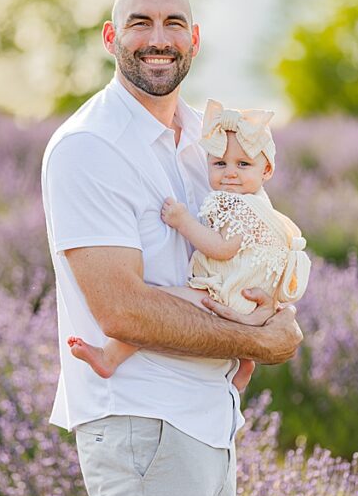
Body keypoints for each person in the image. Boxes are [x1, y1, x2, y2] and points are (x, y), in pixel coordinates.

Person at [41, 0, 302, 496]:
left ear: (195, 39)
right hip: (142, 425)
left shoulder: (207, 142)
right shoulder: (89, 147)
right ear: (111, 38)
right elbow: (122, 310)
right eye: (140, 23)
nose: (158, 39)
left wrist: (273, 304)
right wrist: (258, 340)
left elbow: (239, 249)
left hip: (208, 420)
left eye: (173, 24)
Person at [67, 99, 311, 391]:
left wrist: (183, 222)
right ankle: (243, 368)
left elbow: (222, 248)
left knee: (165, 302)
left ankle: (109, 357)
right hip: (249, 297)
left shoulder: (237, 205)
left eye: (243, 164)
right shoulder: (261, 203)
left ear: (267, 169)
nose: (230, 173)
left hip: (225, 292)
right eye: (220, 163)